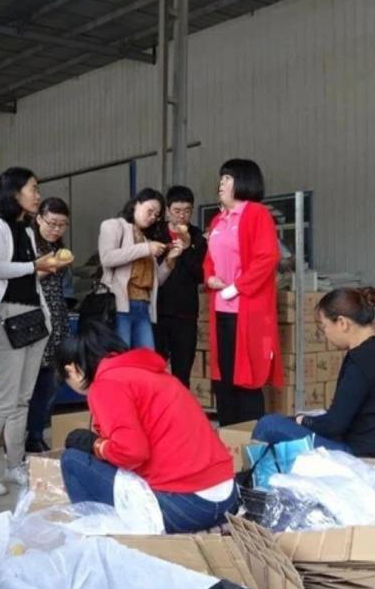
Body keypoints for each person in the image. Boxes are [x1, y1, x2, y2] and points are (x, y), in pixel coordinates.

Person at [56, 322, 237, 533]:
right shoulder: (152, 374)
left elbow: (132, 453)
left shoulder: (106, 384)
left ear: (72, 370)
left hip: (188, 505)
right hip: (226, 499)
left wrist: (97, 445)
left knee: (73, 461)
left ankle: (100, 537)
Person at [253, 288, 375, 470]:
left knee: (269, 424)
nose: (325, 335)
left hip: (374, 457)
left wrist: (302, 421)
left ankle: (253, 480)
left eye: (324, 327)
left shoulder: (360, 361)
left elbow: (334, 426)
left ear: (342, 323)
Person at [0, 169, 64, 497]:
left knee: (22, 400)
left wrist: (46, 314)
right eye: (33, 189)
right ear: (14, 192)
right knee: (4, 400)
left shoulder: (26, 228)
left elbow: (28, 278)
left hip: (32, 316)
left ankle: (14, 465)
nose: (37, 195)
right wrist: (35, 266)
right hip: (7, 315)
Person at [204, 160, 283, 426]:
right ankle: (228, 435)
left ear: (244, 181)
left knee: (246, 378)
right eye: (221, 178)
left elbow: (267, 257)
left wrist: (237, 287)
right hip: (221, 308)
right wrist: (210, 276)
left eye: (227, 178)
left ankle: (250, 437)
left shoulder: (256, 214)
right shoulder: (218, 220)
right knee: (224, 378)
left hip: (246, 309)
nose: (221, 183)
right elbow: (209, 259)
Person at [98, 188, 183, 350]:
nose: (152, 217)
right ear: (136, 204)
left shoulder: (146, 239)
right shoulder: (113, 225)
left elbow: (156, 281)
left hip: (143, 306)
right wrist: (146, 248)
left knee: (146, 357)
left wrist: (169, 260)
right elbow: (107, 258)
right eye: (149, 211)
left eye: (156, 215)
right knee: (122, 356)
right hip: (119, 305)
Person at [26, 197, 74, 452]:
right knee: (30, 382)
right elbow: (22, 278)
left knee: (51, 380)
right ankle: (24, 434)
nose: (56, 229)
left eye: (62, 225)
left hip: (56, 317)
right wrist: (52, 266)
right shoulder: (28, 243)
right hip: (33, 319)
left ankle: (36, 433)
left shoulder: (58, 247)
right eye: (52, 223)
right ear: (39, 219)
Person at [154, 185, 207, 387]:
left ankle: (179, 406)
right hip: (157, 312)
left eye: (187, 211)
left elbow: (200, 274)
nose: (182, 216)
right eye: (177, 211)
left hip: (185, 314)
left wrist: (186, 248)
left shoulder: (197, 236)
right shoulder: (156, 232)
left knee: (182, 373)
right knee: (155, 369)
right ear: (167, 211)